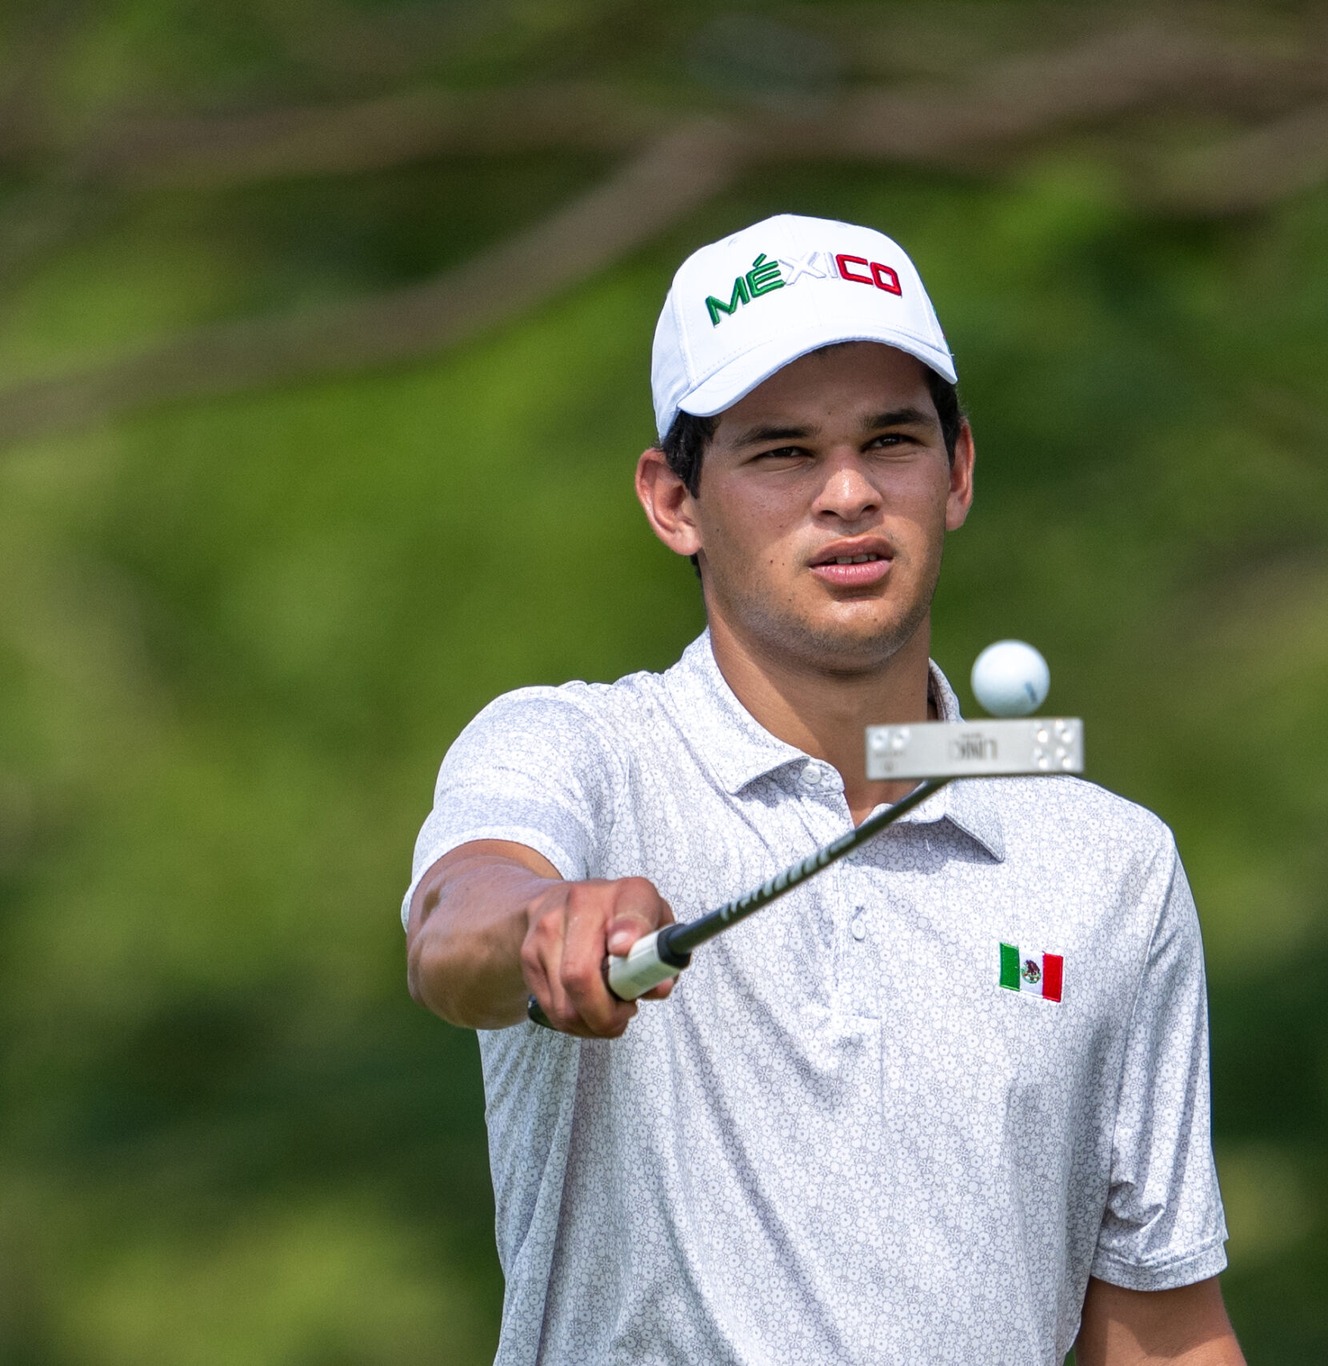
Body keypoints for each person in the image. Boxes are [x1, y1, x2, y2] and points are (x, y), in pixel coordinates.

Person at [402, 213, 1240, 1365]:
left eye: (889, 441)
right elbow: (453, 927)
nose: (846, 492)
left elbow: (1155, 1332)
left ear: (956, 472)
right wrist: (542, 925)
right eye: (781, 451)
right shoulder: (577, 746)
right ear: (672, 501)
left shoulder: (1106, 862)